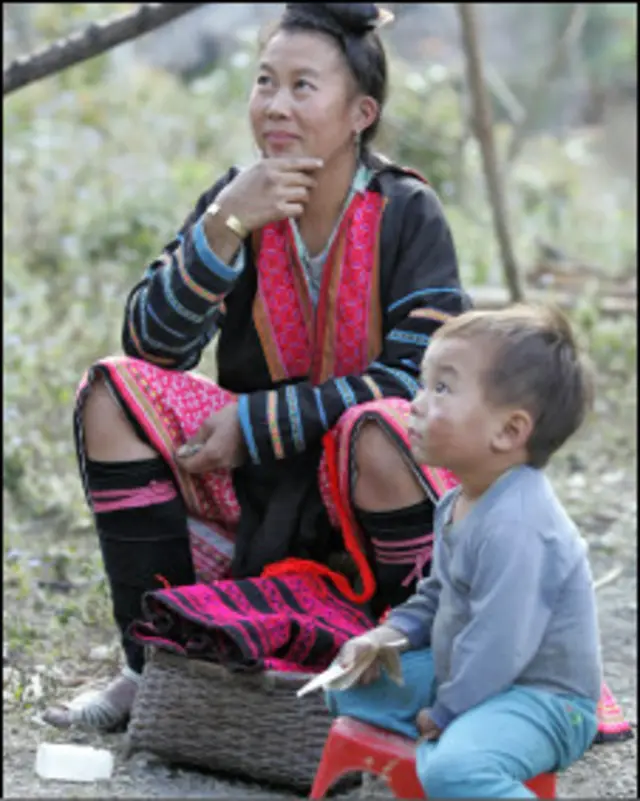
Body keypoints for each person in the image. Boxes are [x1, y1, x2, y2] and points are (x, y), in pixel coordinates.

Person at [43, 2, 467, 732]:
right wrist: (222, 227)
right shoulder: (235, 198)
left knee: (384, 427)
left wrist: (257, 422)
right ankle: (152, 667)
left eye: (304, 86)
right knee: (113, 390)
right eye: (265, 81)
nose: (275, 104)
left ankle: (414, 667)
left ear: (361, 111)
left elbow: (424, 382)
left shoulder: (409, 212)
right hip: (259, 505)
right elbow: (153, 346)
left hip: (375, 510)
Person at [325, 304, 616, 798]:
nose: (415, 402)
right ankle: (459, 741)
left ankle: (465, 758)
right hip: (471, 670)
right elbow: (437, 595)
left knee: (451, 770)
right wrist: (386, 636)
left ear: (508, 431)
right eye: (424, 383)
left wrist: (445, 713)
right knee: (348, 687)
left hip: (540, 698)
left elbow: (500, 642)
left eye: (442, 388)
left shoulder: (521, 525)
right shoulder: (457, 500)